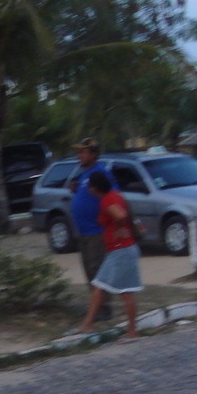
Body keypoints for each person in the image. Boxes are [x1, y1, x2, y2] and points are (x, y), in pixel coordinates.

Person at [79, 170, 142, 338]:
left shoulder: (107, 200)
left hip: (120, 250)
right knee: (102, 287)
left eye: (90, 186)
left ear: (95, 187)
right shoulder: (115, 195)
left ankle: (131, 330)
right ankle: (89, 323)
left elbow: (120, 215)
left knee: (122, 291)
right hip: (122, 249)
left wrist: (118, 228)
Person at [68, 137, 115, 324]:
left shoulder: (100, 173)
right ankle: (97, 306)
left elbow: (110, 195)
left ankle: (104, 308)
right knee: (89, 270)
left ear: (94, 154)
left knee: (98, 270)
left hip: (97, 231)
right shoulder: (85, 175)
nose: (79, 156)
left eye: (83, 152)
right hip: (84, 231)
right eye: (78, 152)